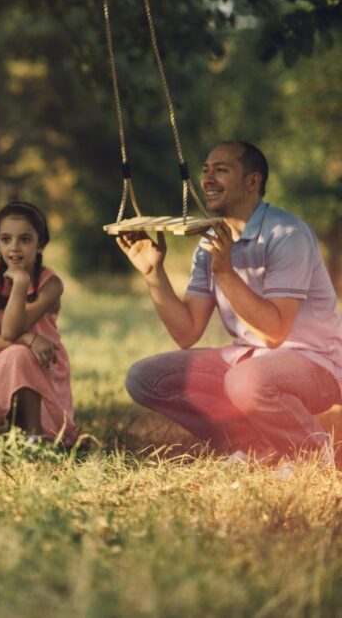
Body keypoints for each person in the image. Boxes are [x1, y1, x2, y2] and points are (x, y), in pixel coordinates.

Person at [119, 142, 342, 464]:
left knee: (245, 380)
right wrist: (154, 273)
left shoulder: (286, 234)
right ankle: (254, 446)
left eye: (221, 170)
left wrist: (224, 270)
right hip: (249, 361)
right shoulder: (211, 242)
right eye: (206, 170)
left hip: (316, 363)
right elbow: (186, 332)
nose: (207, 179)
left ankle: (313, 455)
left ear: (252, 181)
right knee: (146, 377)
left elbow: (274, 333)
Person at [0, 202, 75, 441]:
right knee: (18, 353)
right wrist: (30, 338)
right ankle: (13, 424)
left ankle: (33, 436)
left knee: (21, 355)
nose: (14, 248)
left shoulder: (52, 284)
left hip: (44, 365)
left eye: (25, 240)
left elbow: (10, 330)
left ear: (41, 244)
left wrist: (19, 283)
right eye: (6, 239)